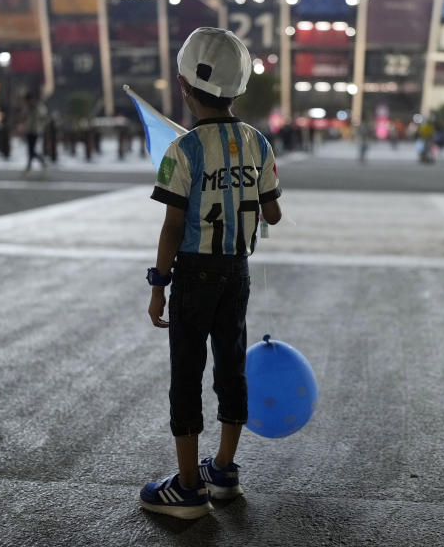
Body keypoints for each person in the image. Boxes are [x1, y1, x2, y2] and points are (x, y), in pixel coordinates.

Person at [140, 27, 282, 520]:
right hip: (236, 272)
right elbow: (274, 214)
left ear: (183, 87)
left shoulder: (182, 151)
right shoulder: (258, 143)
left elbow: (172, 225)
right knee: (230, 365)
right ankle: (223, 469)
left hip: (194, 273)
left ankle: (186, 488)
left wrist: (159, 285)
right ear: (240, 89)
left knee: (186, 372)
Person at [22, 92, 47, 173]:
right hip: (29, 130)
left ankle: (36, 163)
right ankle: (31, 165)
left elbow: (43, 116)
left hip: (35, 130)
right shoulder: (27, 107)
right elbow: (24, 117)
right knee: (30, 149)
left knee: (31, 150)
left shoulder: (37, 106)